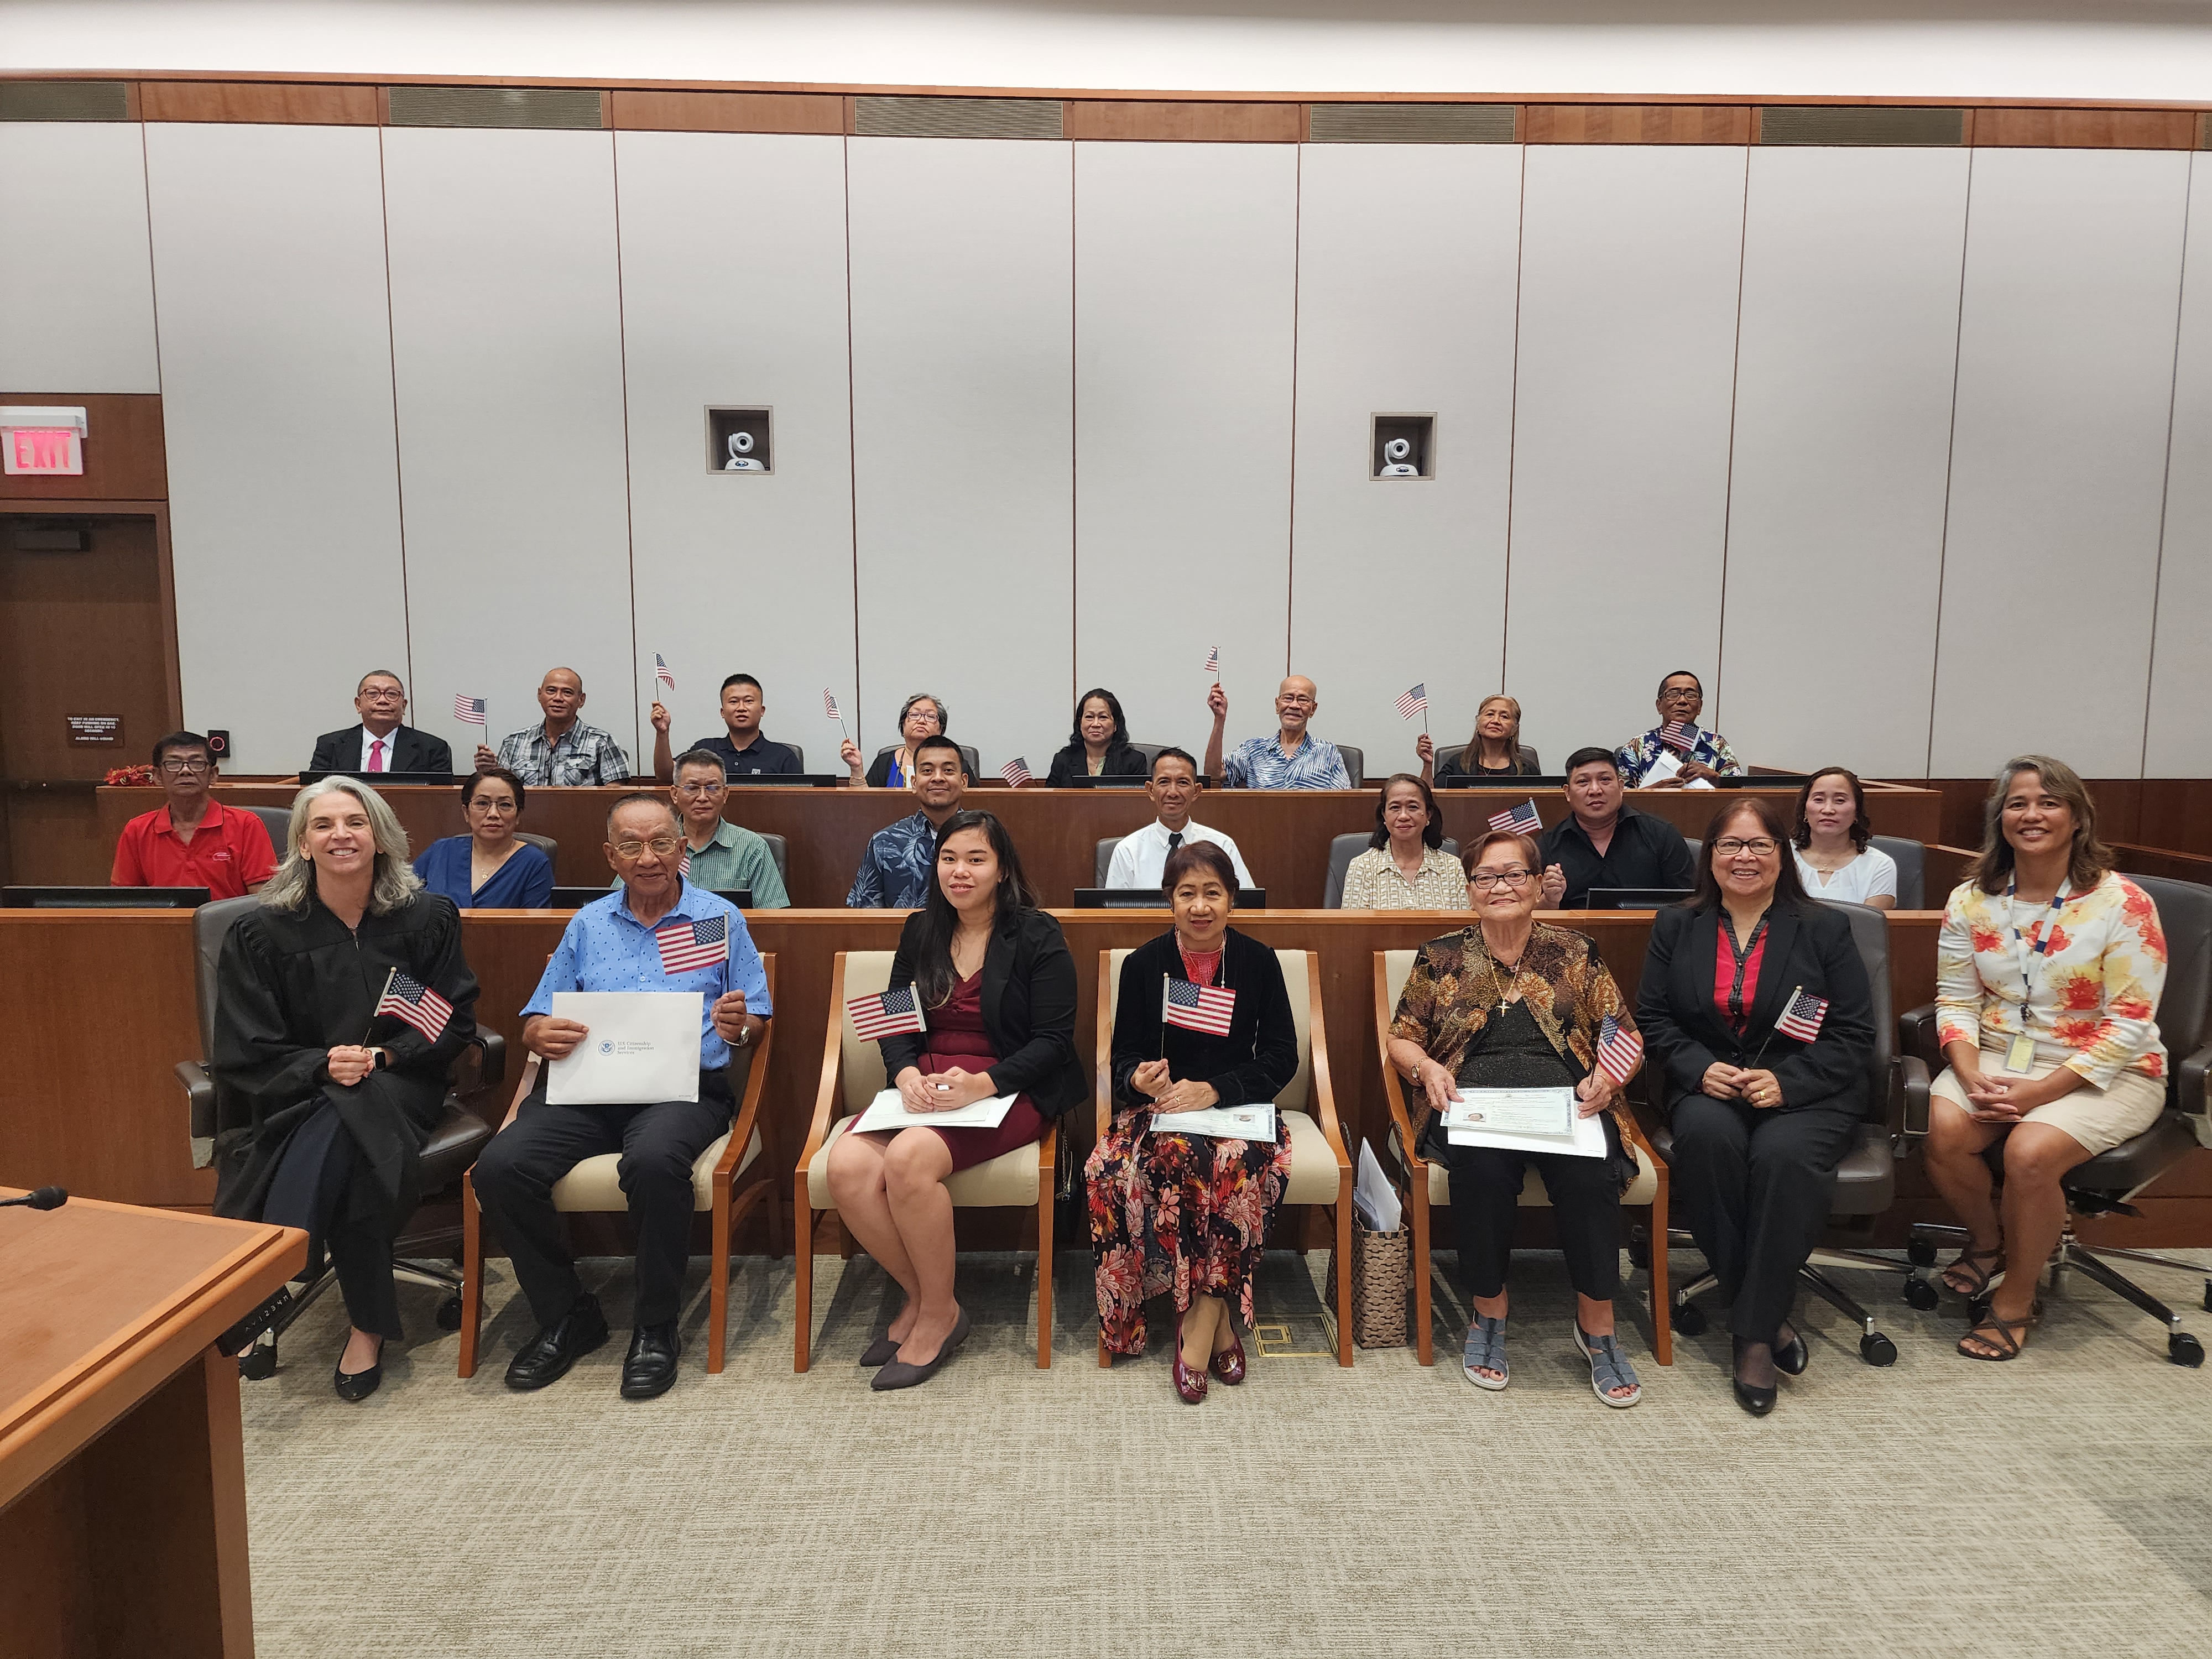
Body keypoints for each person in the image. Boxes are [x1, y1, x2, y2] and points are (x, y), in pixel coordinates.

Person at [471, 793, 772, 1399]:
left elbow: (756, 1018)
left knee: (656, 1163)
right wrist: (538, 1031)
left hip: (682, 1092)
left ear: (683, 848)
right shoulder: (587, 922)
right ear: (611, 855)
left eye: (662, 842)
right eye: (632, 846)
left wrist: (742, 1025)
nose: (649, 857)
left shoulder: (718, 920)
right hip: (588, 1089)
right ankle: (566, 1315)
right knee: (500, 1168)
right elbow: (536, 1014)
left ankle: (655, 1326)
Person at [210, 779, 480, 1402]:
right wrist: (322, 1066)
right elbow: (244, 1047)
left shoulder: (425, 918)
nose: (341, 836)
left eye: (355, 822)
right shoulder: (261, 934)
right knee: (353, 1135)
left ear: (379, 837)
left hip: (400, 1081)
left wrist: (384, 1053)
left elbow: (452, 1019)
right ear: (302, 843)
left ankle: (273, 1273)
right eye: (324, 825)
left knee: (354, 1108)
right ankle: (369, 1325)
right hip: (300, 1088)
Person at [1919, 756, 2168, 1364]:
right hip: (2001, 1056)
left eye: (2048, 802)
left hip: (2107, 1069)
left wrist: (2036, 1095)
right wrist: (1970, 1068)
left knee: (2029, 1151)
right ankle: (1990, 1242)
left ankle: (2016, 1300)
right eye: (2017, 803)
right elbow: (1955, 998)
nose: (2031, 814)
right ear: (1999, 818)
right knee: (1942, 1128)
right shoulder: (1971, 899)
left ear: (2078, 817)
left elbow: (2128, 1023)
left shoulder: (2122, 902)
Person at [1386, 829, 1647, 1407]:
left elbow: (1623, 1032)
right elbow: (1401, 1038)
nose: (1500, 886)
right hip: (1473, 1100)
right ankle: (1488, 1311)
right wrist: (1427, 1069)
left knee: (1590, 1175)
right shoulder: (1441, 956)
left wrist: (1607, 1077)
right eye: (1486, 876)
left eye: (1513, 875)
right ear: (1470, 889)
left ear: (1536, 884)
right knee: (1479, 1173)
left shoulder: (1575, 951)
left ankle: (1596, 1324)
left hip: (1568, 1098)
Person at [825, 810, 1084, 1389]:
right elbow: (894, 1017)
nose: (959, 872)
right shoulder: (921, 929)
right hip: (928, 1083)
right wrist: (904, 1073)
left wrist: (981, 1085)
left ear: (1002, 869)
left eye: (976, 859)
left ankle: (934, 1316)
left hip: (1008, 1086)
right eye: (949, 859)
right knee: (844, 1165)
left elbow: (1053, 1041)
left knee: (908, 1160)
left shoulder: (1037, 933)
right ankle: (932, 1302)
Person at [1635, 798, 1876, 1416]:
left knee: (1782, 1156)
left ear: (1781, 855)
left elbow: (1852, 1034)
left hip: (1807, 1089)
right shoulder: (1675, 924)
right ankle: (1766, 1317)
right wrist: (1695, 1067)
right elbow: (1653, 1021)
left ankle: (1750, 1335)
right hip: (1710, 1084)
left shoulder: (1823, 928)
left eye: (1758, 846)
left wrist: (1787, 1083)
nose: (1743, 857)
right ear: (1709, 857)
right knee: (1710, 1144)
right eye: (1729, 846)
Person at [1087, 841, 1297, 1400]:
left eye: (1212, 893)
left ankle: (1199, 1323)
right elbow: (1123, 1060)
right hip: (1161, 1112)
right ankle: (1217, 1321)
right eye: (1187, 894)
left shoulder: (1258, 961)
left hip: (1238, 1110)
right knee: (1111, 1170)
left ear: (1231, 900)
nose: (1199, 906)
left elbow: (1281, 1058)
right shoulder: (1143, 964)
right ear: (1169, 901)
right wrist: (1140, 1080)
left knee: (1225, 1165)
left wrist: (1216, 1089)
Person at [112, 730, 277, 898]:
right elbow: (127, 900)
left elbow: (263, 899)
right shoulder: (137, 830)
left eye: (197, 763)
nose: (185, 771)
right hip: (164, 923)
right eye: (173, 763)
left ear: (213, 775)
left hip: (230, 923)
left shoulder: (246, 825)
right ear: (157, 776)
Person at [1536, 748, 1697, 907]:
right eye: (1583, 782)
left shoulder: (1662, 835)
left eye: (1605, 780)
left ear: (1621, 787)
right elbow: (1532, 917)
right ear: (1568, 793)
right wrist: (1550, 900)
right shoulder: (1548, 846)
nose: (1595, 790)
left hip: (1650, 931)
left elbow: (1688, 904)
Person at [1104, 747, 1254, 891]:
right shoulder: (1128, 850)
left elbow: (1246, 906)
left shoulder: (1223, 846)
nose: (1173, 792)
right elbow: (1114, 914)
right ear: (1151, 790)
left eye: (1183, 782)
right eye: (1164, 782)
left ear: (1196, 791)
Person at [655, 749, 790, 906]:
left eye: (712, 788)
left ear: (725, 794)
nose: (703, 798)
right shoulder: (655, 844)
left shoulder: (752, 847)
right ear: (675, 795)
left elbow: (772, 918)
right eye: (692, 788)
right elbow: (622, 902)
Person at [847, 734, 968, 907]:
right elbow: (865, 915)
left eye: (948, 770)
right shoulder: (884, 842)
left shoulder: (985, 839)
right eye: (927, 771)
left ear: (964, 782)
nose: (938, 778)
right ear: (914, 782)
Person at [411, 768, 555, 910]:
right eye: (482, 803)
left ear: (518, 815)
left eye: (505, 805)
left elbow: (536, 929)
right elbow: (403, 902)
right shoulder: (441, 851)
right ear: (466, 812)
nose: (493, 814)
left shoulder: (534, 863)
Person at [482, 667, 632, 786]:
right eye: (551, 691)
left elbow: (615, 798)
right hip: (527, 823)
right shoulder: (514, 743)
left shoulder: (602, 742)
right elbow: (501, 793)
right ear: (540, 695)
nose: (558, 698)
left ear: (581, 700)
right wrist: (487, 771)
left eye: (567, 692)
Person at [650, 672, 803, 782]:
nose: (741, 708)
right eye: (734, 702)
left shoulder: (783, 757)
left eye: (749, 701)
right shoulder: (705, 749)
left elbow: (798, 805)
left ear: (762, 711)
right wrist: (662, 733)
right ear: (723, 712)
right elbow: (666, 776)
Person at [1206, 675, 1352, 789]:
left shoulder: (1328, 753)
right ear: (1278, 705)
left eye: (1303, 700)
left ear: (1313, 709)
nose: (1294, 705)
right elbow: (1214, 773)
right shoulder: (1253, 750)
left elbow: (1344, 804)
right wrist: (1220, 719)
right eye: (1288, 698)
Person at [1340, 774, 1464, 909]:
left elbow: (1464, 927)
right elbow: (1353, 928)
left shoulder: (1453, 868)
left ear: (1428, 814)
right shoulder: (1362, 867)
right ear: (1384, 815)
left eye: (1413, 807)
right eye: (1395, 808)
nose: (1404, 816)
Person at [306, 669, 454, 776]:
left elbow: (439, 801)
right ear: (358, 704)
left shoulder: (432, 749)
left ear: (403, 706)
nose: (382, 701)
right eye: (373, 694)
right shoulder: (330, 746)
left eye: (392, 694)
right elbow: (314, 793)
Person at [1791, 767, 1898, 910]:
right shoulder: (1780, 856)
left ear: (1856, 812)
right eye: (1819, 800)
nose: (1828, 810)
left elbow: (1870, 928)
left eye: (1840, 801)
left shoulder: (1879, 865)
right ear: (1805, 810)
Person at [1614, 670, 1742, 787]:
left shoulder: (1717, 744)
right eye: (1673, 694)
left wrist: (1715, 778)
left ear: (1700, 707)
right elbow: (1620, 798)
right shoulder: (1636, 747)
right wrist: (1652, 792)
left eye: (1691, 695)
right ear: (1659, 706)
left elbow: (1741, 793)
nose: (1682, 701)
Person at [1421, 694, 1542, 783]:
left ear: (1514, 729)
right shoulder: (1457, 764)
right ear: (1478, 723)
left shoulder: (1528, 769)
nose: (1495, 721)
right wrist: (1427, 764)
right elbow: (1431, 800)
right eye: (1490, 714)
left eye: (1504, 717)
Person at [841, 692, 949, 789]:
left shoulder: (955, 763)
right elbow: (865, 804)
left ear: (941, 728)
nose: (921, 721)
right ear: (903, 724)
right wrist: (856, 768)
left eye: (930, 716)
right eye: (915, 715)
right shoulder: (884, 762)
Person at [1045, 687, 1147, 786]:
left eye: (1103, 717)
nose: (1095, 724)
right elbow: (1050, 802)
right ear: (1080, 723)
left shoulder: (1133, 761)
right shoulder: (1063, 760)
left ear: (1116, 725)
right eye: (1089, 717)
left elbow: (1136, 802)